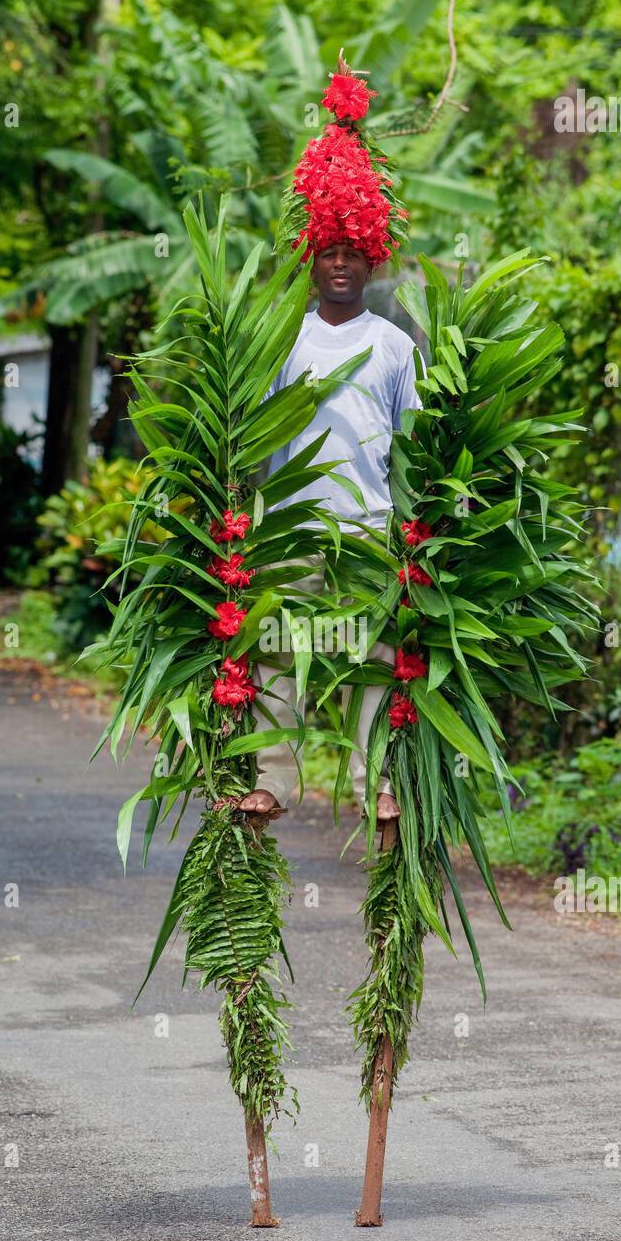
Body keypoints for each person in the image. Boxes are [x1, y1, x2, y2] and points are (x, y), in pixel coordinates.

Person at [238, 240, 421, 822]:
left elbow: (411, 445)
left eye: (353, 254)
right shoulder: (286, 340)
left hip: (367, 529)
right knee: (277, 655)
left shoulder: (393, 345)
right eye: (328, 253)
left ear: (373, 263)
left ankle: (378, 788)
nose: (340, 264)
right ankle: (272, 781)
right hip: (291, 529)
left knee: (370, 661)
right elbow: (256, 437)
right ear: (311, 264)